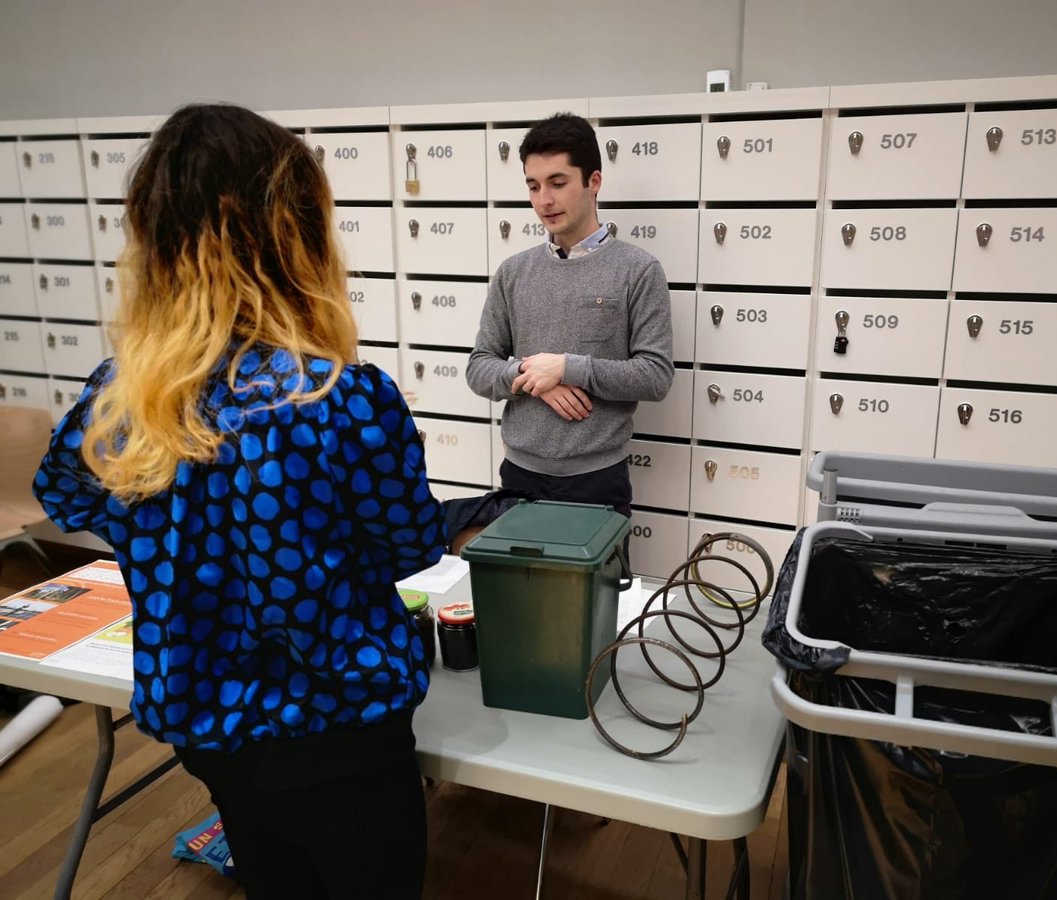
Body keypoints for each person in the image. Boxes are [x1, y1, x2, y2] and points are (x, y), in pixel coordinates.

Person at [33, 103, 443, 900]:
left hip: (208, 730)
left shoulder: (119, 400)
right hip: (342, 735)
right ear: (294, 236)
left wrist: (184, 533)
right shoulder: (340, 399)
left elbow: (68, 497)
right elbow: (410, 545)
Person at [466, 113, 674, 517]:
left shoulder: (639, 270)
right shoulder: (513, 272)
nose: (544, 200)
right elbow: (479, 367)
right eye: (533, 186)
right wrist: (532, 377)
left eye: (558, 183)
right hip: (519, 474)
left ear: (593, 181)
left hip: (597, 480)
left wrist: (566, 367)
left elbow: (655, 375)